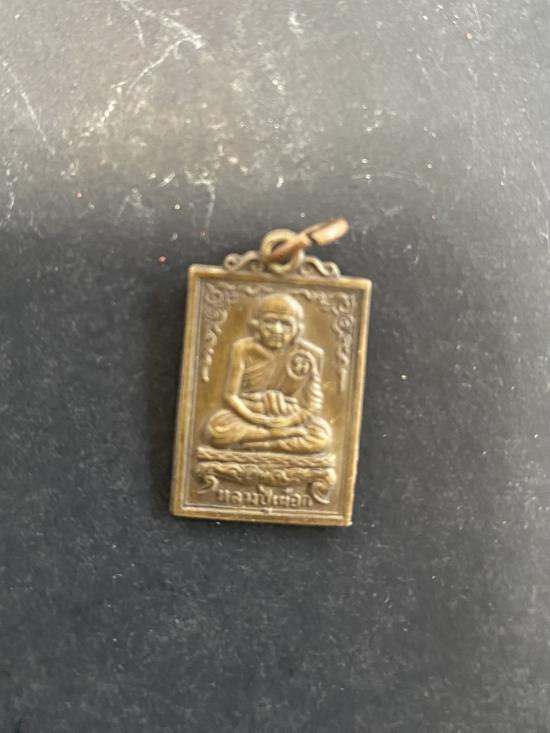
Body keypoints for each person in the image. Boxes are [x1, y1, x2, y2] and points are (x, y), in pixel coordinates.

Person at [205, 293, 331, 453]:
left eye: (286, 324)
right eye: (270, 322)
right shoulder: (243, 349)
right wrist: (253, 417)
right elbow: (230, 395)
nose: (277, 330)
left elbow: (313, 406)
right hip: (251, 412)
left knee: (321, 435)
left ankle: (261, 444)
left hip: (289, 416)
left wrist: (289, 421)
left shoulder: (310, 354)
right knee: (217, 429)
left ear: (298, 329)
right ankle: (275, 436)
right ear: (256, 325)